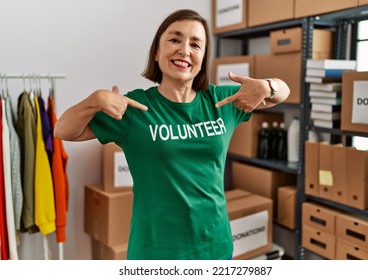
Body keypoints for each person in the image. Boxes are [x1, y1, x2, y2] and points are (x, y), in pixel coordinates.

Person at [54, 9, 290, 260]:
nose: (185, 50)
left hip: (215, 247)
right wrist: (95, 100)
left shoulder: (222, 100)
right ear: (157, 52)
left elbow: (283, 91)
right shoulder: (135, 107)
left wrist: (267, 86)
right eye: (175, 40)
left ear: (203, 57)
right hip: (156, 252)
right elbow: (63, 130)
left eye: (195, 44)